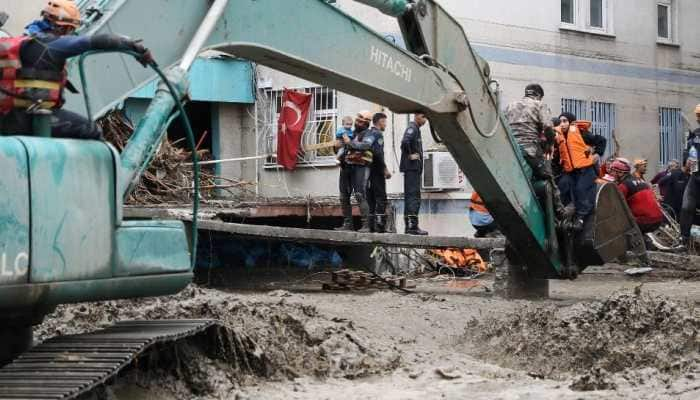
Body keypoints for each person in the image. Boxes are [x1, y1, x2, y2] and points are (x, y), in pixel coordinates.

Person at [0, 0, 153, 139]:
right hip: (31, 119)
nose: (69, 35)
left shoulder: (18, 43)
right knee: (91, 130)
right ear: (62, 27)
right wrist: (134, 47)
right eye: (70, 30)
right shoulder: (49, 45)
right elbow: (94, 42)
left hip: (6, 119)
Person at [504, 83, 565, 219]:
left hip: (513, 151)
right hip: (530, 150)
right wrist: (549, 144)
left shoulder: (510, 106)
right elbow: (548, 128)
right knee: (548, 177)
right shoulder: (539, 105)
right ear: (539, 95)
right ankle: (559, 211)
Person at [555, 113, 607, 231]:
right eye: (560, 122)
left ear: (571, 122)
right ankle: (563, 213)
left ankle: (580, 217)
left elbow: (601, 140)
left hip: (586, 169)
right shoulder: (559, 136)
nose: (562, 124)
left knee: (581, 189)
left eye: (565, 121)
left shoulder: (582, 133)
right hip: (571, 171)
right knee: (562, 185)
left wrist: (597, 154)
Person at [335, 110, 375, 232]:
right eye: (357, 120)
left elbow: (365, 146)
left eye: (360, 121)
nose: (357, 123)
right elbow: (342, 149)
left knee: (359, 195)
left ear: (366, 123)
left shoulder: (370, 134)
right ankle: (348, 225)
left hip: (360, 168)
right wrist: (336, 146)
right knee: (343, 196)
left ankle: (366, 226)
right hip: (346, 167)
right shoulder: (350, 132)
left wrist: (350, 143)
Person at [610, 158, 663, 234]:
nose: (612, 174)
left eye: (613, 172)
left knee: (617, 228)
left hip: (646, 220)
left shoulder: (624, 185)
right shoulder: (641, 181)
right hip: (658, 218)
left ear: (620, 173)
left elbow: (615, 205)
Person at [400, 113, 428, 235]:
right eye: (423, 117)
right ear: (416, 116)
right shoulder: (412, 128)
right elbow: (405, 142)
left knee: (412, 196)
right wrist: (410, 154)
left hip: (413, 169)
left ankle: (410, 226)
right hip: (411, 168)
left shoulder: (416, 129)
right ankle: (412, 227)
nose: (425, 120)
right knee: (413, 197)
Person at [366, 112, 392, 233]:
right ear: (380, 121)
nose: (385, 125)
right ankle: (380, 225)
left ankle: (371, 226)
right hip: (376, 170)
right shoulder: (378, 134)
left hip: (366, 171)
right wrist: (384, 168)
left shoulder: (367, 133)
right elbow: (378, 153)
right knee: (381, 197)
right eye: (385, 122)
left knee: (370, 198)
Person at [679, 104, 700, 245]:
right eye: (697, 115)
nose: (698, 118)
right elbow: (688, 152)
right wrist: (685, 162)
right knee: (686, 208)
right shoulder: (695, 134)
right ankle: (683, 240)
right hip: (695, 177)